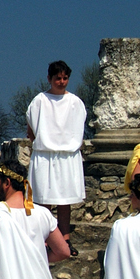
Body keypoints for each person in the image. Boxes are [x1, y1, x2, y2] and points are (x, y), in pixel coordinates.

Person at [26, 60, 87, 255]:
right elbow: (31, 129)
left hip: (67, 157)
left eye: (65, 78)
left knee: (64, 200)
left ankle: (65, 239)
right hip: (45, 156)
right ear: (49, 79)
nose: (61, 82)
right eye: (58, 78)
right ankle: (44, 239)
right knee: (43, 200)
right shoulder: (39, 101)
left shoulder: (75, 102)